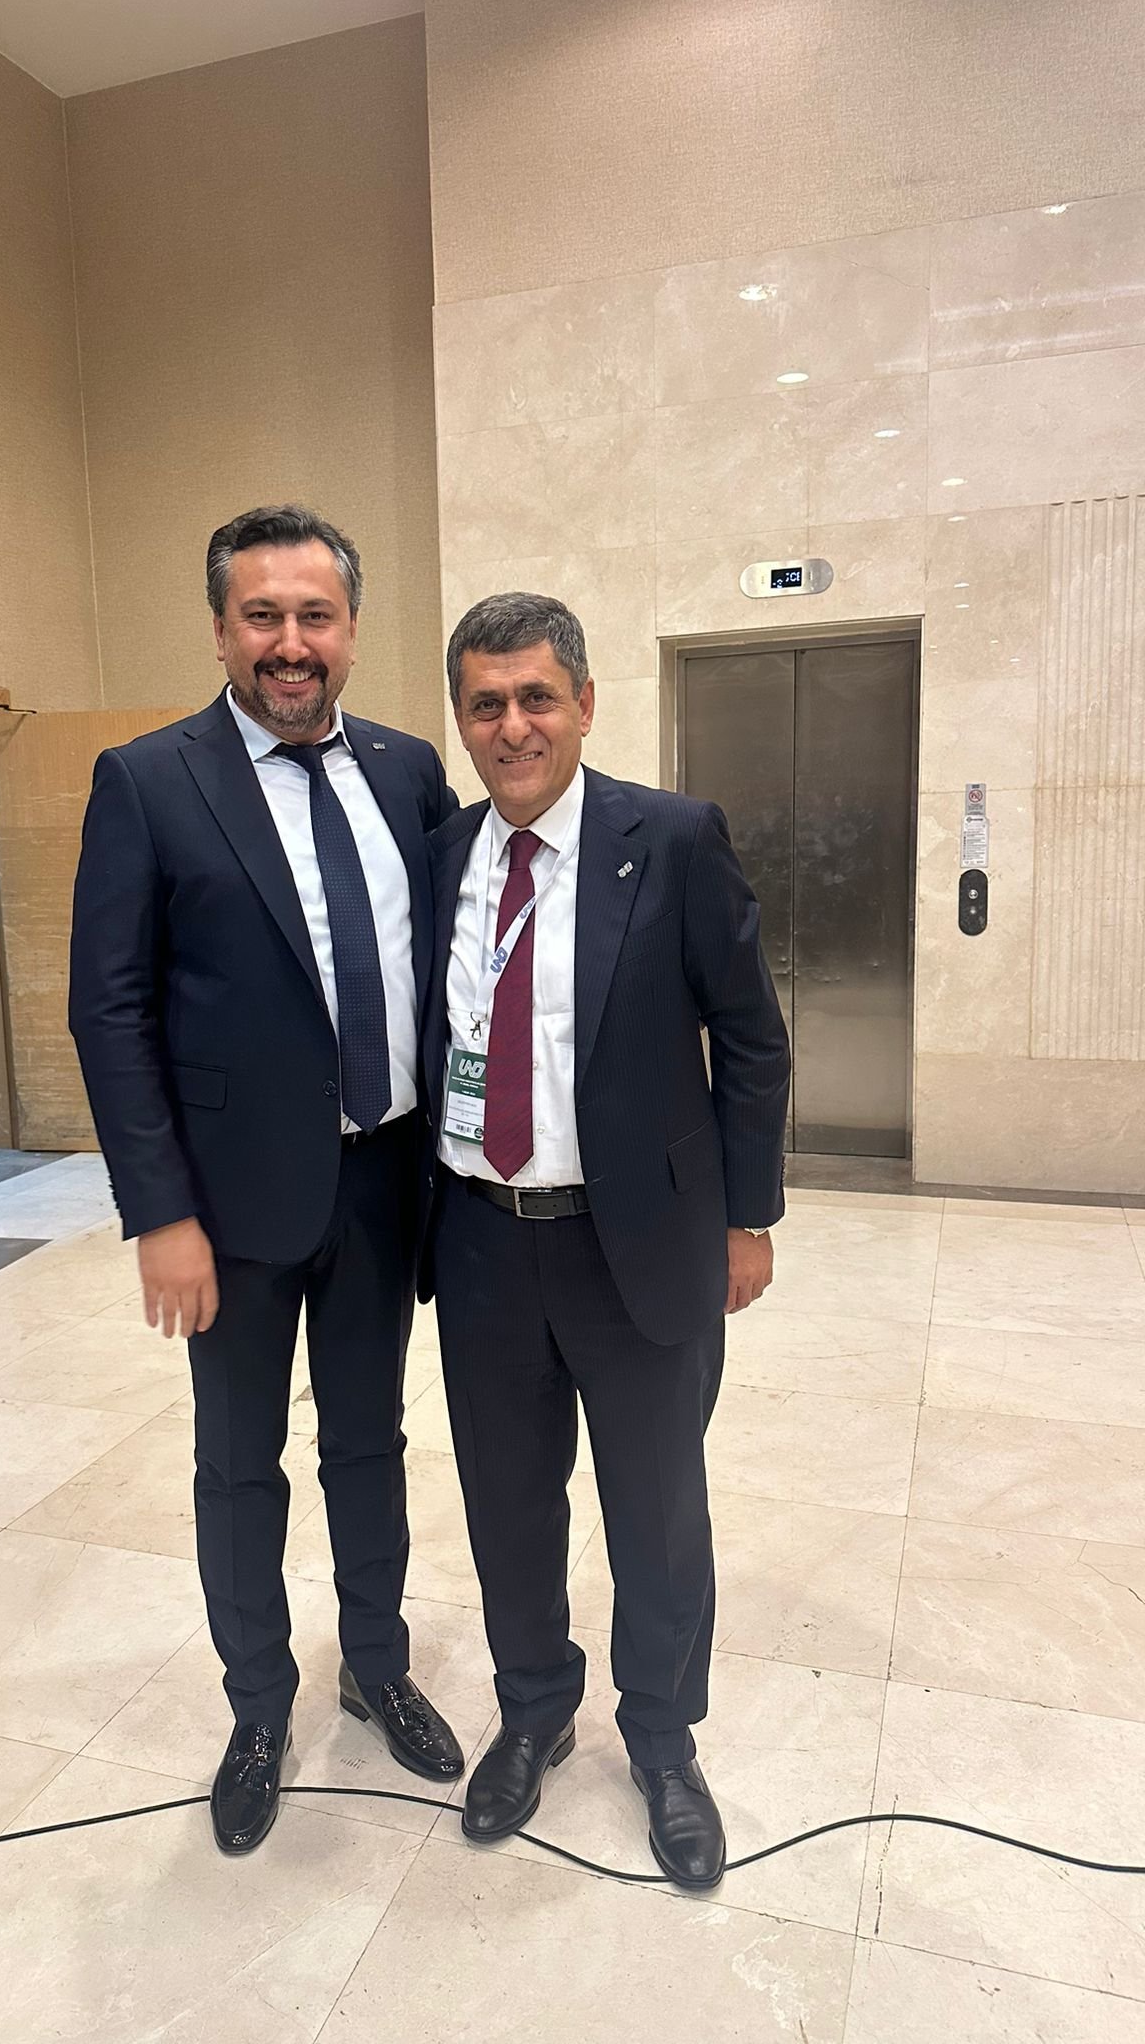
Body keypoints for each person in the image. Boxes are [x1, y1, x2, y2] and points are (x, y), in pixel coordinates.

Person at [69, 505, 463, 1857]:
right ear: (221, 629)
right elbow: (108, 1011)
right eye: (262, 617)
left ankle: (376, 1666)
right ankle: (257, 1709)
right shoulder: (148, 781)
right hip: (228, 1210)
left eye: (315, 616)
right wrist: (160, 1213)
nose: (290, 643)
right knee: (240, 1465)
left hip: (385, 1182)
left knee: (370, 1444)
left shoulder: (409, 772)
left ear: (351, 629)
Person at [421, 591, 790, 1889]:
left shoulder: (671, 840)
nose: (512, 726)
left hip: (637, 1243)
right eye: (486, 703)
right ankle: (533, 1709)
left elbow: (751, 1037)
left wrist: (748, 1216)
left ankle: (664, 1741)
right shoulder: (443, 857)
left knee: (657, 1508)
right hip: (480, 1242)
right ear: (461, 719)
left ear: (584, 704)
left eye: (536, 696)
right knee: (507, 1503)